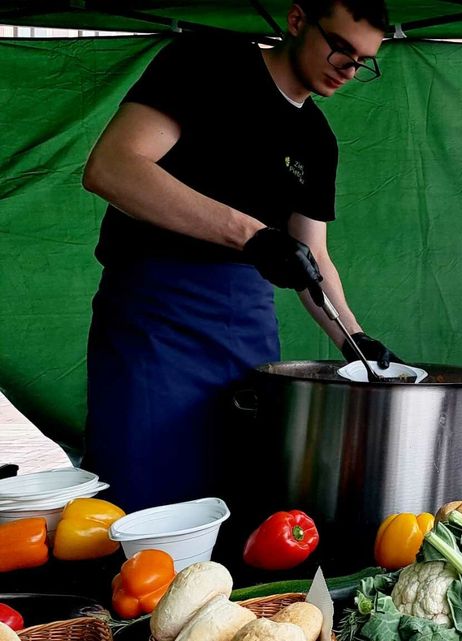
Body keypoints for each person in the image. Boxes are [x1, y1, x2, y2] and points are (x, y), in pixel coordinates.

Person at [81, 0, 398, 512]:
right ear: (298, 21)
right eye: (341, 47)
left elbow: (311, 253)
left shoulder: (317, 140)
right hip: (156, 315)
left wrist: (353, 338)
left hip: (247, 327)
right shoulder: (208, 61)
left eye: (362, 61)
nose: (348, 68)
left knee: (237, 492)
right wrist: (252, 236)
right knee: (140, 492)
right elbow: (112, 168)